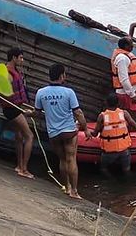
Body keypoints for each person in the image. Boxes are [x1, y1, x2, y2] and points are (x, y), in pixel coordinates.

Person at [30, 63, 92, 199]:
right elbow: (79, 113)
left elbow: (37, 112)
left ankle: (66, 187)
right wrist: (86, 129)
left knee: (63, 160)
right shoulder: (69, 92)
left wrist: (28, 113)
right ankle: (74, 191)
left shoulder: (41, 92)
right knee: (71, 159)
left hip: (54, 134)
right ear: (61, 75)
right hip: (69, 131)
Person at [92, 93, 136, 175]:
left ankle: (111, 180)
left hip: (109, 152)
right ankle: (129, 182)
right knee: (127, 170)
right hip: (124, 151)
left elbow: (95, 134)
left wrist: (87, 132)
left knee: (103, 169)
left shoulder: (102, 116)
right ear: (118, 103)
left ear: (106, 103)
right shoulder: (124, 113)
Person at [3, 47, 34, 179]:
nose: (22, 60)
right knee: (30, 136)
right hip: (11, 109)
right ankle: (24, 169)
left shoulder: (15, 72)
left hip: (16, 106)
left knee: (19, 136)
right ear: (14, 58)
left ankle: (19, 165)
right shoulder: (6, 72)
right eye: (20, 57)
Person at [111, 37, 136, 122]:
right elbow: (124, 79)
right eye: (131, 44)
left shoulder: (128, 56)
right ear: (126, 46)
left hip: (131, 91)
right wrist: (132, 95)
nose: (133, 46)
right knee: (133, 118)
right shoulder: (122, 58)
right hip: (126, 94)